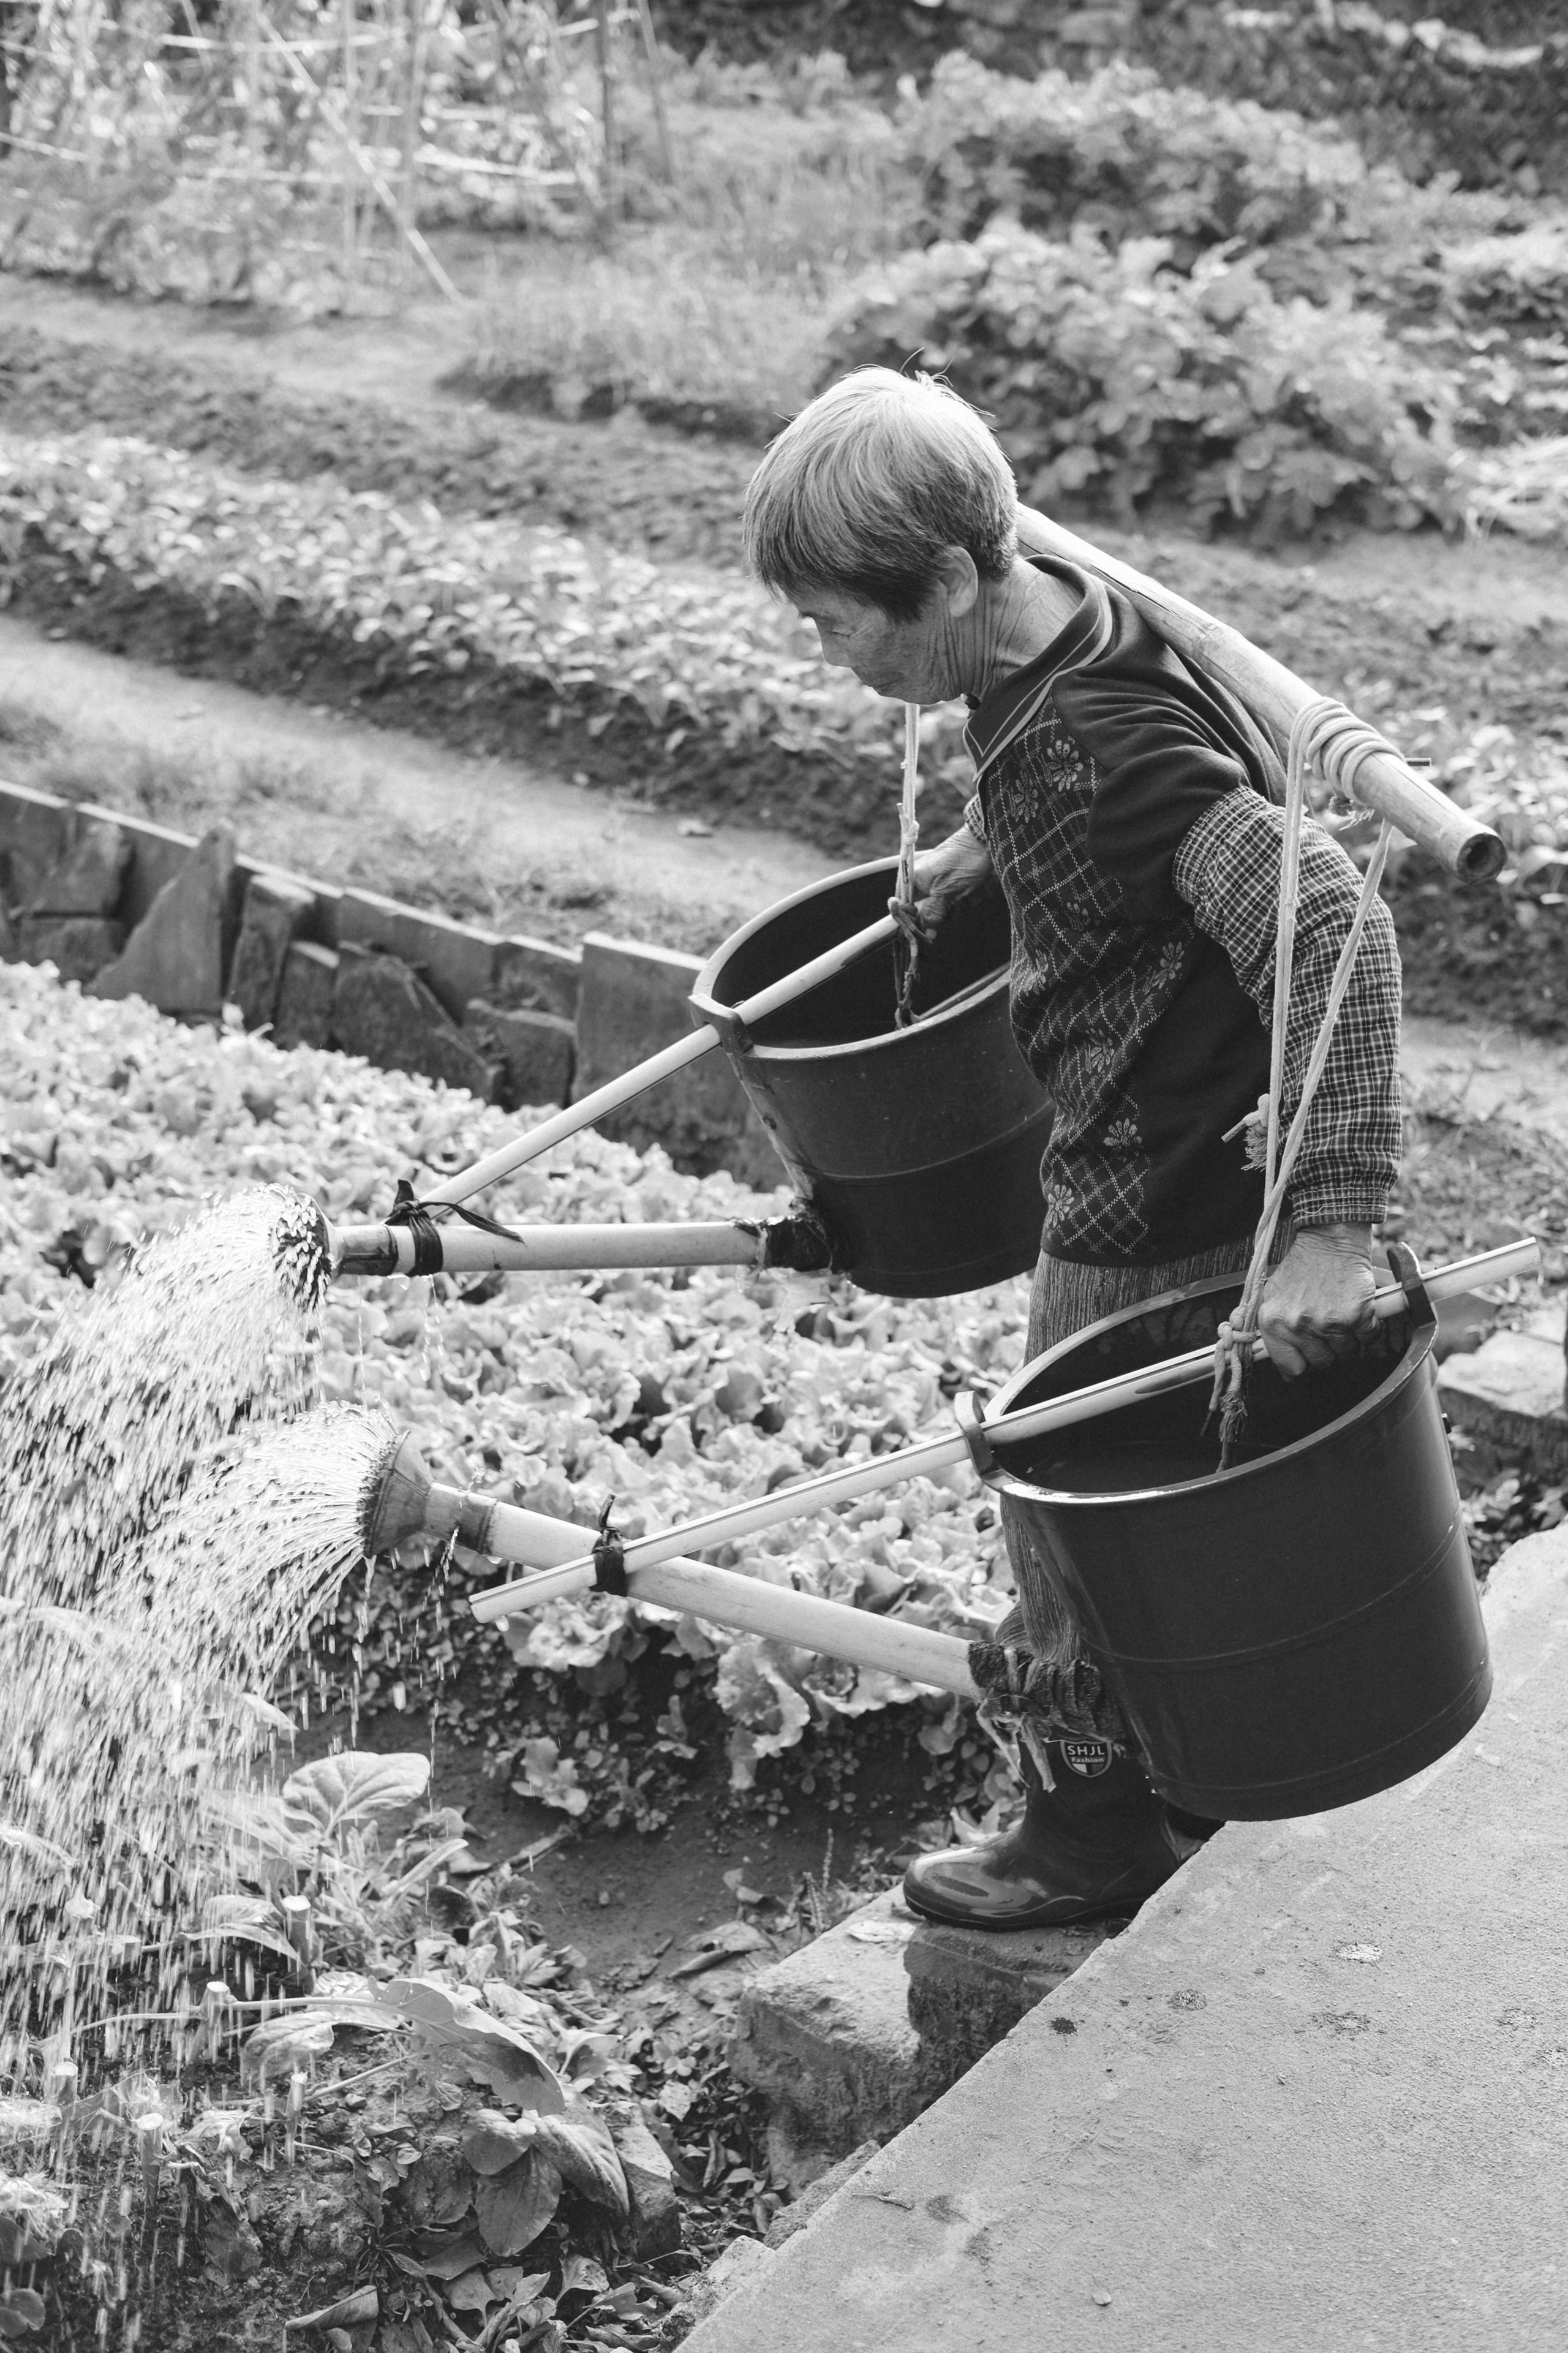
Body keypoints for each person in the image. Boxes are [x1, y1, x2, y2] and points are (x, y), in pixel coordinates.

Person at [742, 368, 1401, 1931]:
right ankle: (1185, 1762)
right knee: (1167, 1476)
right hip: (1165, 1136)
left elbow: (1337, 926)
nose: (828, 656)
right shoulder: (1059, 617)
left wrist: (1337, 1222)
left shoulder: (1092, 745)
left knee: (1056, 1510)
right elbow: (1090, 791)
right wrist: (983, 854)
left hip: (1149, 1178)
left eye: (843, 622)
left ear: (958, 575)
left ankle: (1081, 1833)